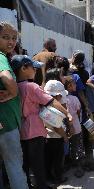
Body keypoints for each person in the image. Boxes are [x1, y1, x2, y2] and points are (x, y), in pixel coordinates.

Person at [11, 55, 71, 188]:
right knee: (38, 162)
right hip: (34, 130)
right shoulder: (32, 86)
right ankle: (42, 186)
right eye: (33, 67)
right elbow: (51, 100)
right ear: (23, 68)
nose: (35, 70)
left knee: (25, 163)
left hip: (20, 128)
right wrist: (67, 113)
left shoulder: (13, 86)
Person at [0, 21, 28, 189]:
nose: (11, 42)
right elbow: (8, 80)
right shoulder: (1, 57)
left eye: (13, 38)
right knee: (14, 167)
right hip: (7, 123)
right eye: (5, 37)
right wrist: (13, 92)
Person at [44, 80, 70, 185]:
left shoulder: (44, 105)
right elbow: (57, 127)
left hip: (46, 137)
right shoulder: (54, 108)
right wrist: (65, 137)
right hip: (56, 137)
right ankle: (58, 178)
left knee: (49, 159)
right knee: (57, 160)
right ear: (57, 96)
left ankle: (49, 177)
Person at [64, 77, 86, 178]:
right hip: (76, 126)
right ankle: (79, 161)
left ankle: (72, 160)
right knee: (78, 144)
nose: (76, 86)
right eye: (74, 84)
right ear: (69, 86)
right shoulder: (74, 99)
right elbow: (78, 111)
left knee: (71, 144)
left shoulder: (63, 99)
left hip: (67, 127)